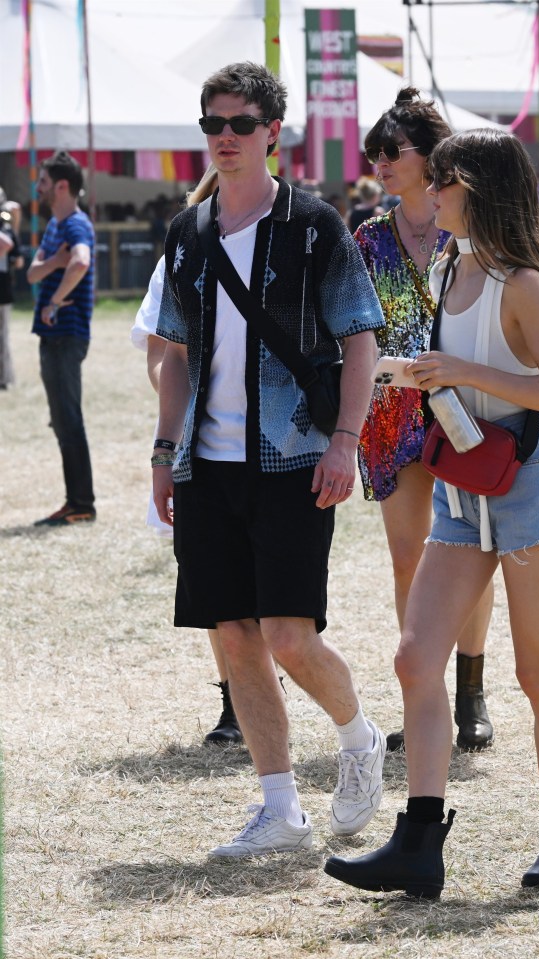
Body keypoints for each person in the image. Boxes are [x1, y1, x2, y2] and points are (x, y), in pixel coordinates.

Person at [325, 128, 539, 899]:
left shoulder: (521, 282)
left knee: (536, 671)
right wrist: (410, 376)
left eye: (441, 181)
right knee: (415, 655)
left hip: (528, 481)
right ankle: (418, 839)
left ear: (472, 186)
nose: (428, 193)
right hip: (461, 481)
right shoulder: (448, 264)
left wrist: (463, 370)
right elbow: (461, 378)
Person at [152, 61, 387, 858]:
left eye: (239, 123)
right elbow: (175, 352)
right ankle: (278, 808)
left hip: (294, 457)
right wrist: (164, 450)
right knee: (233, 637)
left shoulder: (314, 225)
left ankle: (359, 738)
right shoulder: (187, 231)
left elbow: (361, 336)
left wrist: (346, 441)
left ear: (272, 133)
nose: (224, 137)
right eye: (212, 123)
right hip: (206, 465)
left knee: (289, 635)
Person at [355, 88, 495, 754]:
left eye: (391, 151)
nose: (379, 163)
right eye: (372, 153)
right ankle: (424, 697)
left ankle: (471, 694)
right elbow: (352, 329)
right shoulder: (367, 238)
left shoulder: (468, 229)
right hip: (388, 414)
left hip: (461, 409)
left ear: (426, 156)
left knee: (466, 551)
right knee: (408, 561)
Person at [131, 165, 242, 746]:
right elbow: (159, 359)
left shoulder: (296, 245)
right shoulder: (180, 254)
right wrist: (192, 402)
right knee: (212, 579)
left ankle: (259, 686)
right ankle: (233, 701)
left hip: (268, 446)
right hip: (197, 444)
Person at [27, 151, 96, 525]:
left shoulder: (75, 225)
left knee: (69, 419)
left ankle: (81, 504)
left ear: (61, 185)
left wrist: (54, 302)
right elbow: (32, 275)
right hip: (52, 336)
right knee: (62, 419)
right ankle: (76, 502)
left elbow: (81, 260)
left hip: (66, 335)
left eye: (42, 181)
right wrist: (53, 263)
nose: (37, 187)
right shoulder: (55, 225)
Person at [0, 190, 23, 389]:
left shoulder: (6, 230)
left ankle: (5, 379)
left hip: (3, 292)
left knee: (2, 337)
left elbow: (17, 258)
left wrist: (16, 220)